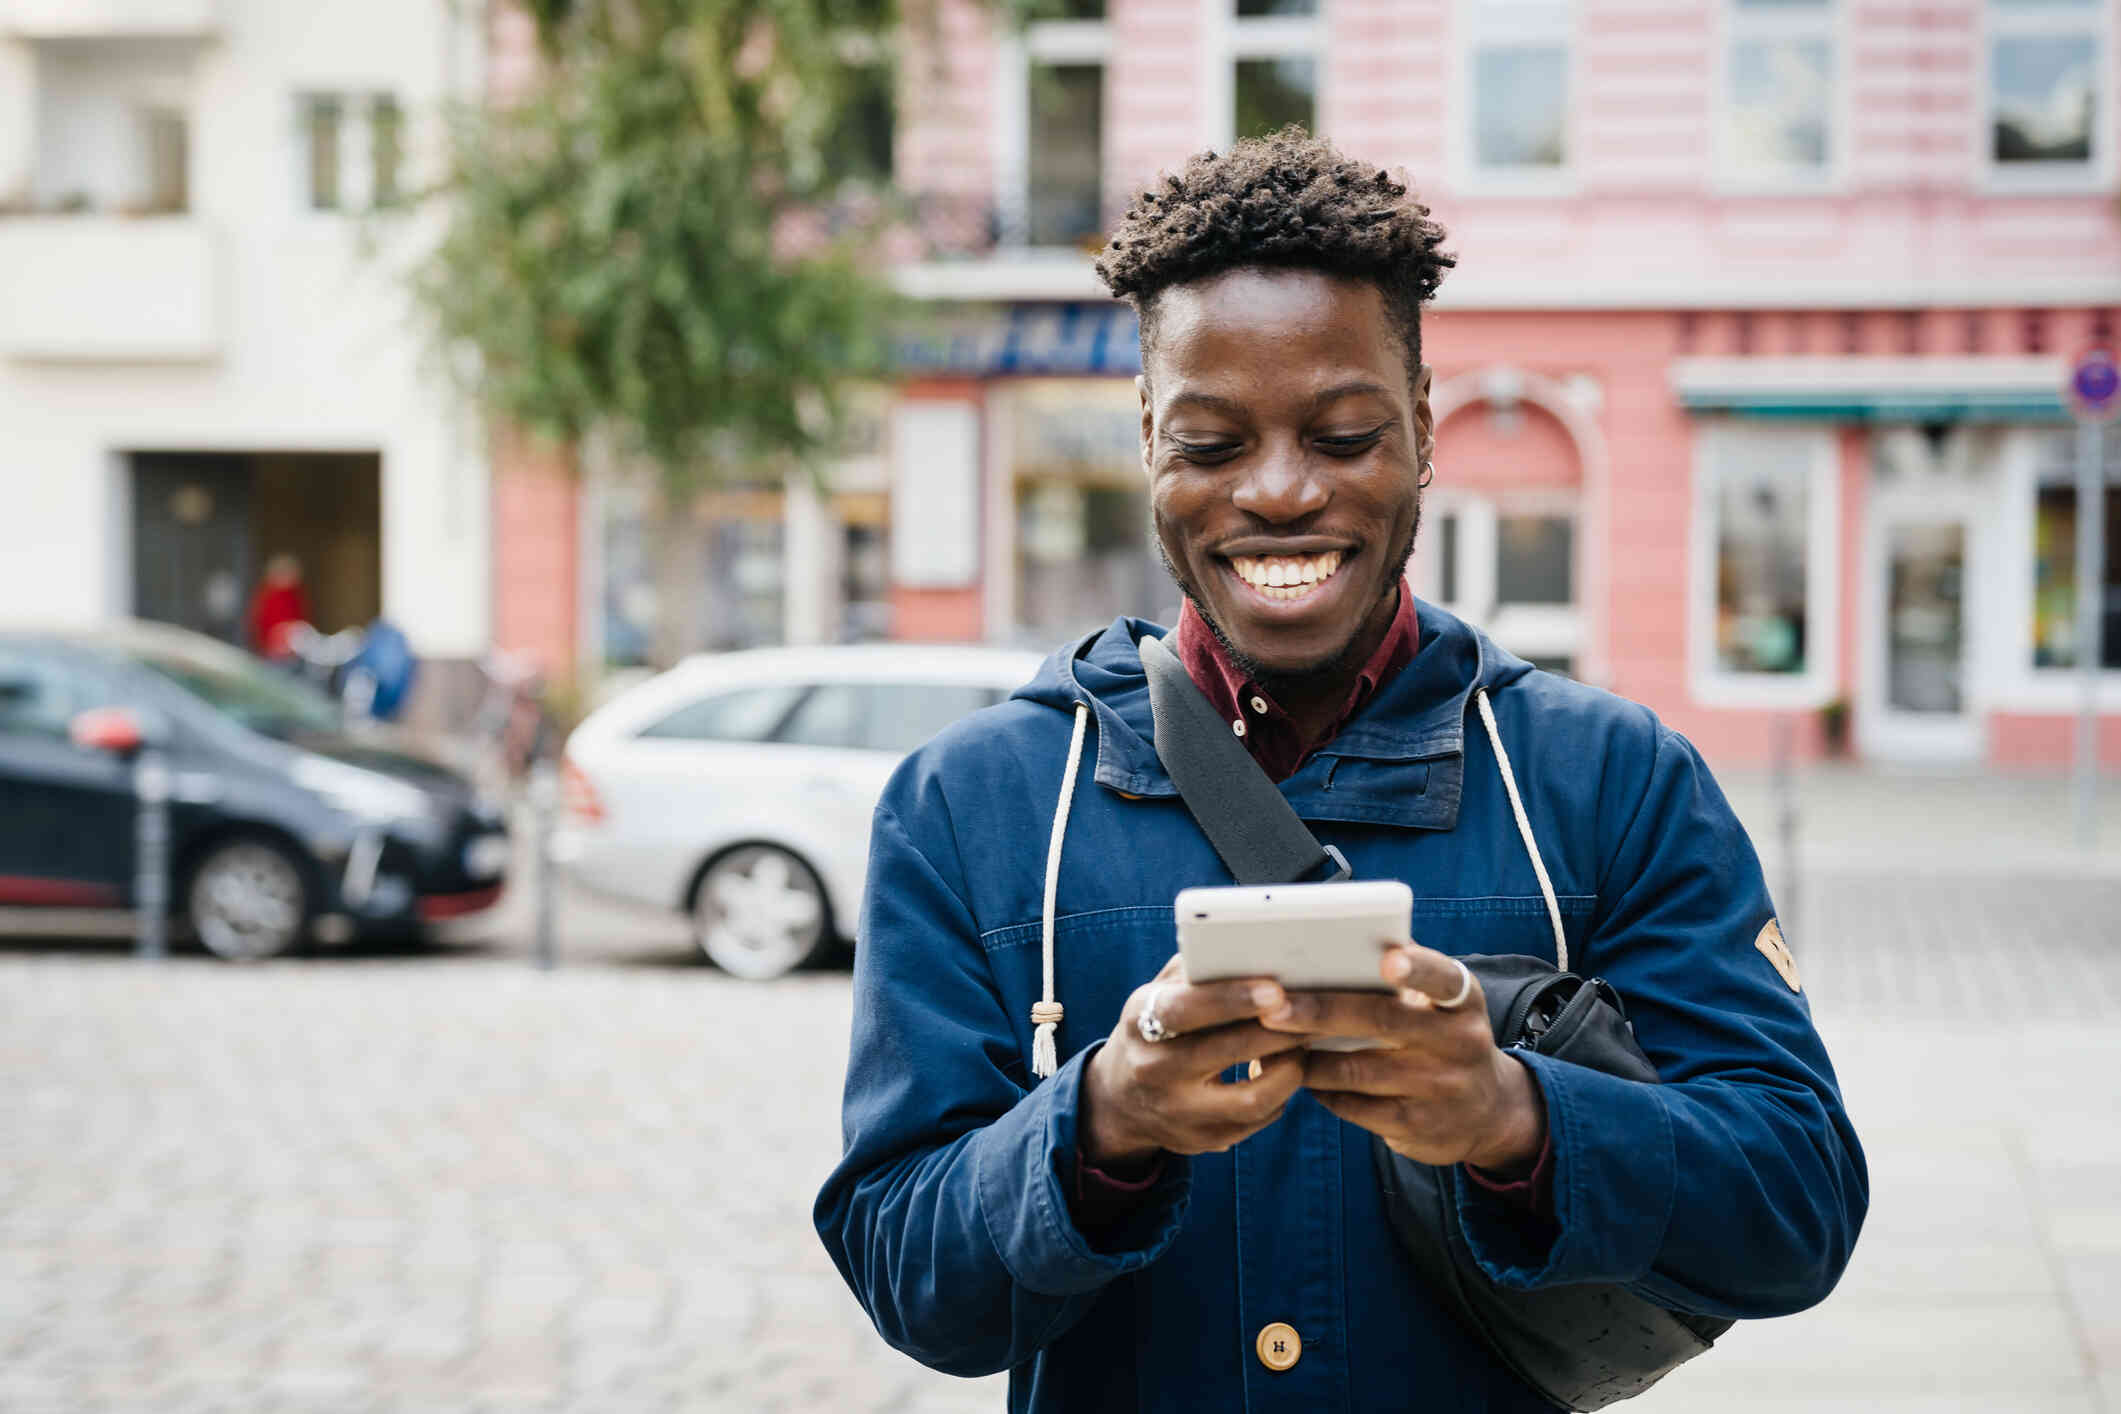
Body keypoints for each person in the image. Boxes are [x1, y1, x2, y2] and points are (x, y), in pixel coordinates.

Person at [815, 131, 1867, 1413]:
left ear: (1423, 429)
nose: (1278, 491)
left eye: (1345, 431)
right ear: (1148, 437)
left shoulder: (1612, 782)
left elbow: (1800, 1202)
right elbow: (904, 1270)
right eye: (1211, 443)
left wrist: (1515, 1120)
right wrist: (1099, 1124)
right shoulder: (965, 807)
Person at [245, 553, 310, 660]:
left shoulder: (295, 596)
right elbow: (257, 622)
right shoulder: (267, 594)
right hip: (269, 652)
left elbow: (300, 621)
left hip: (291, 650)